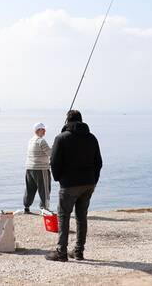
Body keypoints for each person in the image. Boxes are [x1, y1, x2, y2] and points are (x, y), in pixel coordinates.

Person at [46, 110, 102, 262]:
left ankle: (61, 252)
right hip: (88, 184)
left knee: (64, 217)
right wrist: (93, 181)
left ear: (67, 121)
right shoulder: (92, 138)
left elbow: (54, 162)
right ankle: (78, 251)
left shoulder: (61, 138)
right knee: (81, 217)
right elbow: (99, 163)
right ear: (81, 121)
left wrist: (59, 179)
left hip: (69, 184)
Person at [23, 122, 51, 214]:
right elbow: (51, 153)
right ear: (38, 130)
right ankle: (45, 208)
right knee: (45, 189)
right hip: (41, 169)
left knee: (30, 189)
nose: (45, 131)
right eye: (43, 129)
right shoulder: (41, 141)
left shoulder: (31, 140)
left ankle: (26, 207)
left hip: (29, 168)